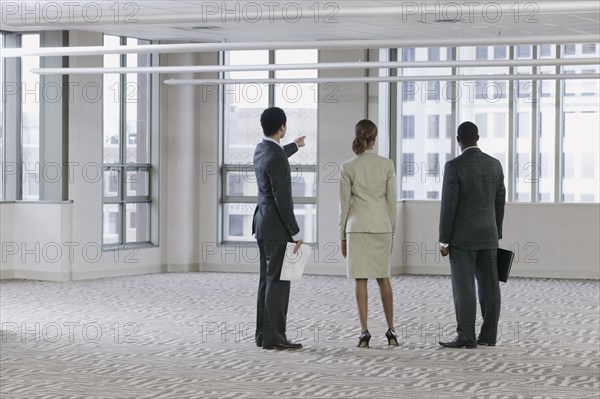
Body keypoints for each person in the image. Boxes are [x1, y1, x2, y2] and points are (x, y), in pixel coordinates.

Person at [438, 121, 506, 349]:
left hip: (462, 238)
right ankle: (489, 335)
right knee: (490, 287)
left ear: (458, 140)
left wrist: (444, 238)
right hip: (489, 235)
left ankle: (466, 336)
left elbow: (449, 205)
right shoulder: (495, 165)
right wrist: (496, 231)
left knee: (464, 287)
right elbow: (499, 201)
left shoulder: (454, 166)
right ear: (478, 137)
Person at [339, 119, 399, 348]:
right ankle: (391, 330)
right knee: (384, 278)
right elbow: (391, 203)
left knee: (361, 280)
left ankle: (364, 332)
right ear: (375, 138)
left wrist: (342, 236)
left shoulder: (348, 166)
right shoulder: (387, 164)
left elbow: (344, 206)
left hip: (357, 227)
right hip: (381, 226)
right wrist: (392, 231)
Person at [252, 107, 305, 350]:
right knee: (279, 283)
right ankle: (276, 337)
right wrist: (295, 232)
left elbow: (277, 155)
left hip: (262, 225)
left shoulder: (261, 149)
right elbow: (282, 200)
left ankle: (264, 335)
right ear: (281, 127)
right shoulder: (275, 158)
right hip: (276, 229)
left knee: (267, 280)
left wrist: (294, 145)